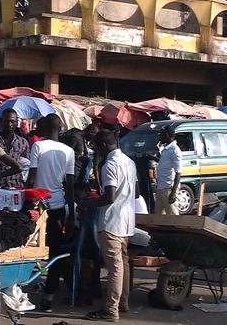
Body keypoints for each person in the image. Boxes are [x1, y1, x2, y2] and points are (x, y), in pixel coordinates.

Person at [80, 129, 137, 322]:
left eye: (96, 147)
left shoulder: (110, 165)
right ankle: (123, 302)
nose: (95, 150)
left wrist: (86, 203)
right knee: (123, 263)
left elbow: (109, 197)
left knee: (115, 268)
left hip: (112, 221)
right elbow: (136, 192)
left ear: (103, 146)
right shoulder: (129, 162)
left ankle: (111, 310)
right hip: (126, 221)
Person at [26, 113, 76, 312]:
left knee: (29, 249)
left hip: (38, 208)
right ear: (60, 129)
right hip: (58, 207)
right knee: (55, 252)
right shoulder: (69, 151)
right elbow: (70, 185)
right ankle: (48, 297)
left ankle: (25, 288)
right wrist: (71, 214)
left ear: (45, 129)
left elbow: (31, 179)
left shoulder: (38, 146)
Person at [0, 109, 30, 189]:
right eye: (6, 121)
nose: (9, 124)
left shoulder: (23, 142)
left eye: (12, 121)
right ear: (1, 122)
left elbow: (26, 166)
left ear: (17, 123)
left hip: (17, 186)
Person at [154, 127, 182, 215]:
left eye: (161, 135)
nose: (160, 137)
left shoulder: (175, 150)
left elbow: (178, 173)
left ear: (166, 135)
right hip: (160, 188)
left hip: (168, 189)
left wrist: (173, 193)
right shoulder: (165, 149)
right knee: (159, 217)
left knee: (173, 217)